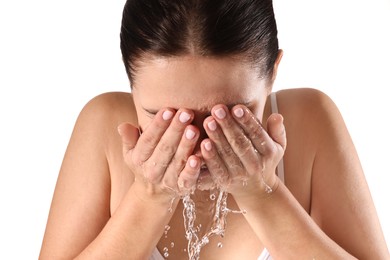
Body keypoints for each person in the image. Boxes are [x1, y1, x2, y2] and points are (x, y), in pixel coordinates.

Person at [39, 0, 389, 259]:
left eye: (231, 114)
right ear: (131, 84)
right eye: (164, 116)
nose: (199, 144)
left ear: (273, 74)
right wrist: (149, 197)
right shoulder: (104, 125)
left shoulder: (311, 122)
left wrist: (262, 192)